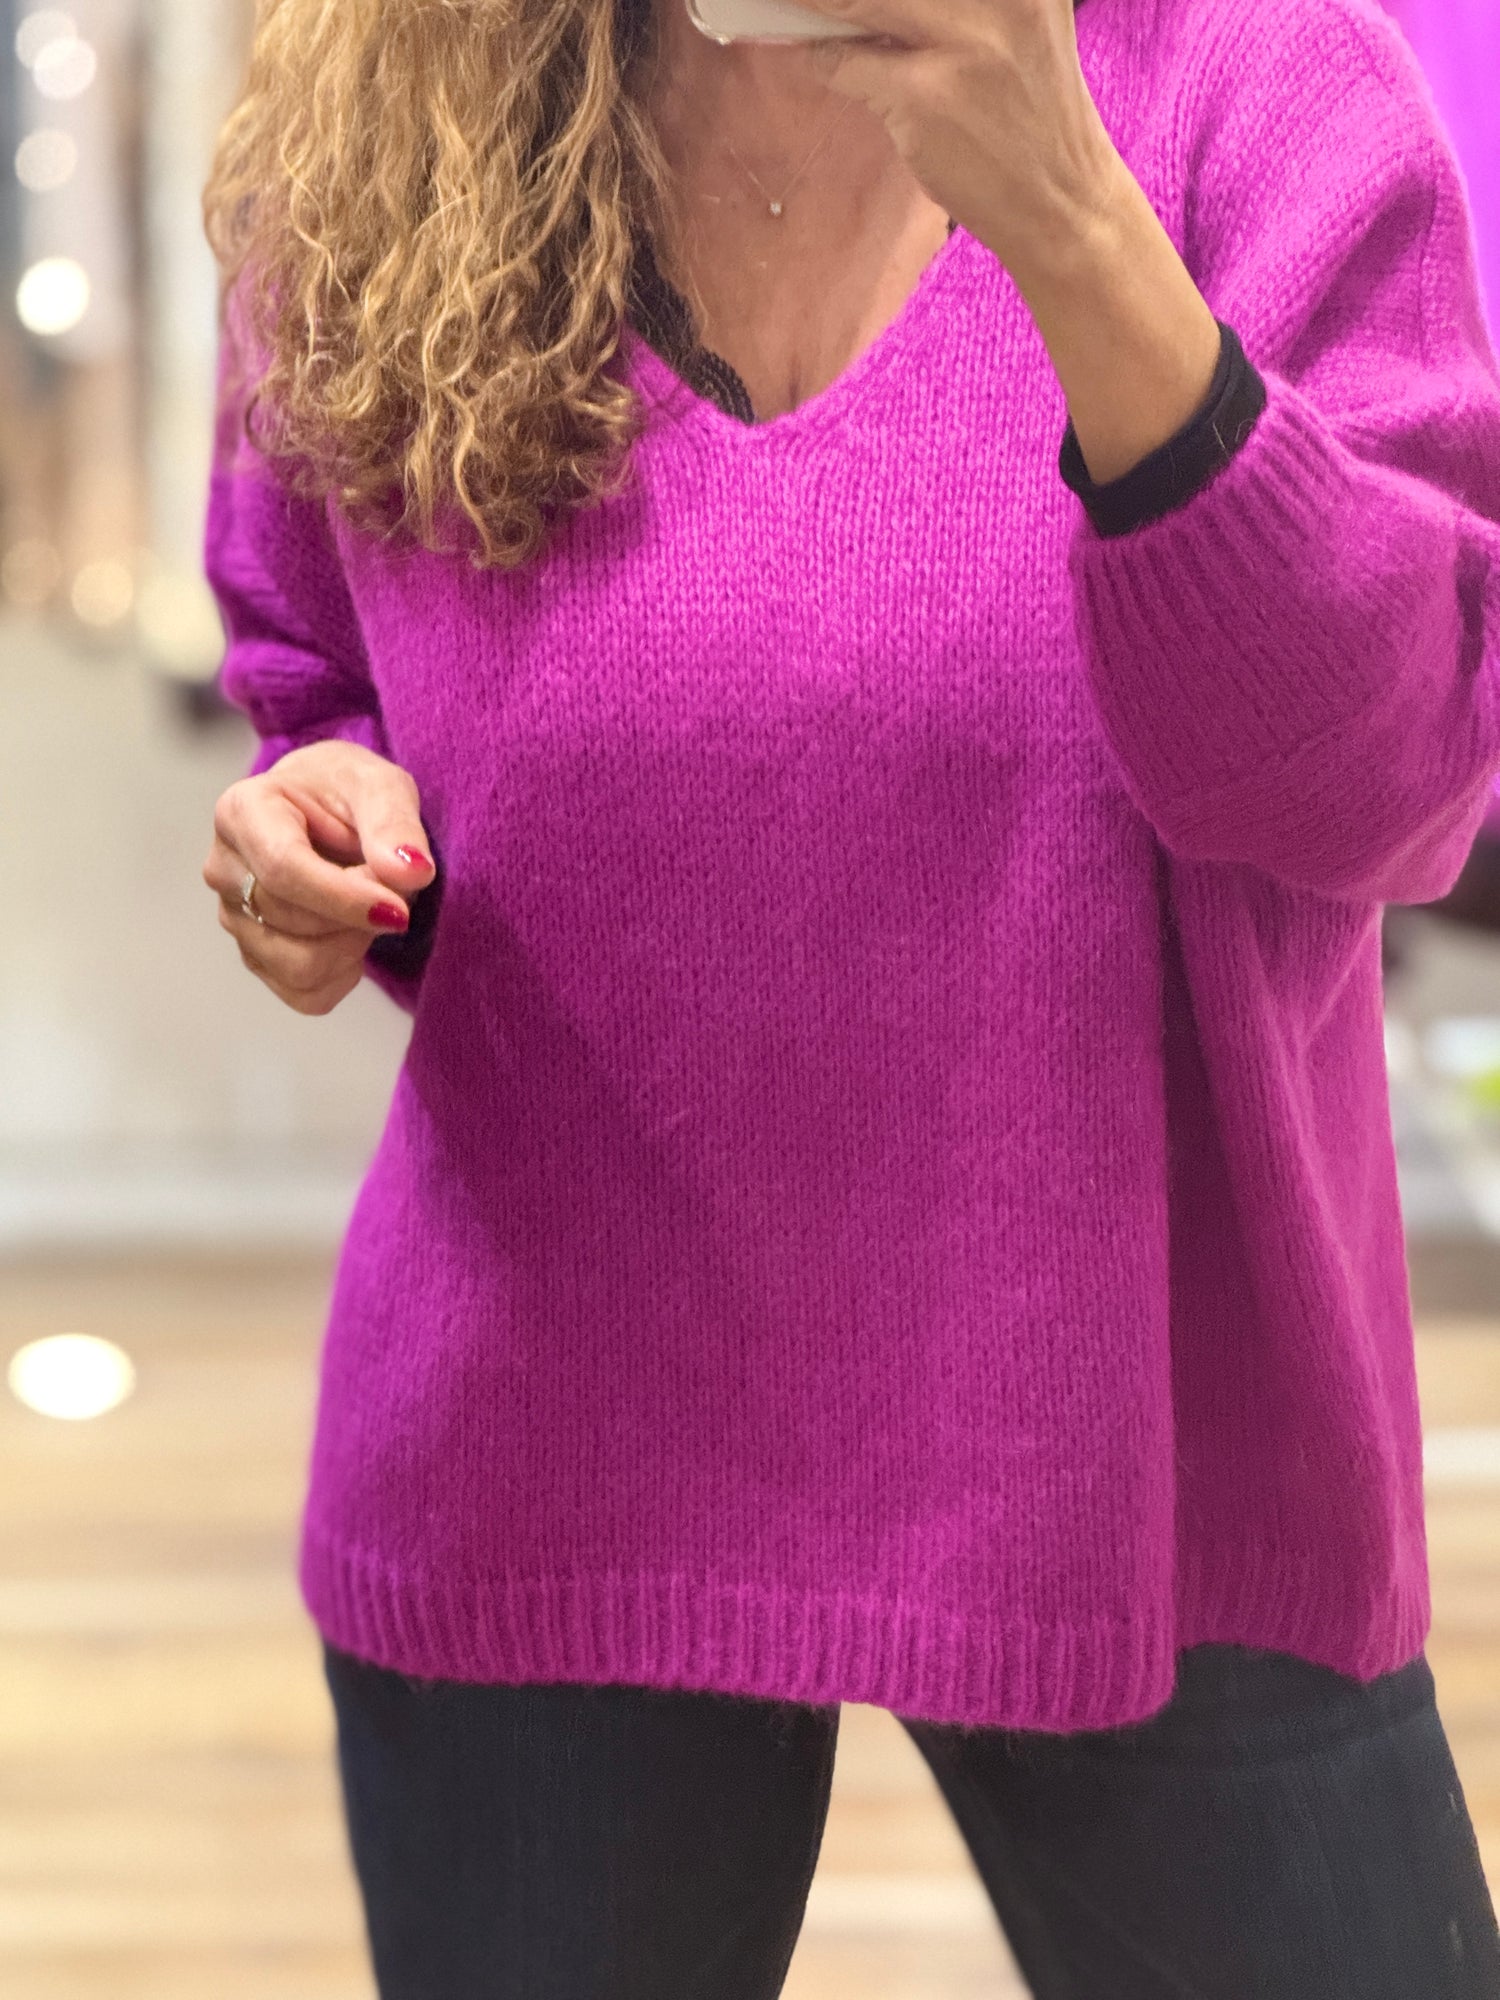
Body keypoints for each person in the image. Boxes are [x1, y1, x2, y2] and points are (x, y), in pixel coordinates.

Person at [197, 0, 1500, 1991]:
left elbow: (1391, 782)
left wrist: (1071, 219)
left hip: (1165, 1445)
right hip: (554, 1425)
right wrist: (329, 825)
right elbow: (328, 669)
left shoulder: (1250, 78)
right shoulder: (396, 115)